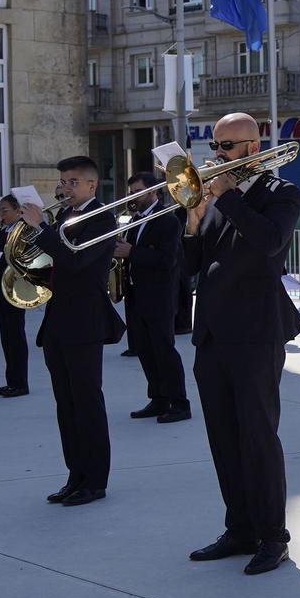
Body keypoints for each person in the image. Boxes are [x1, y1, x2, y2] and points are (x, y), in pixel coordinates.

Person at [183, 113, 300, 575]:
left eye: (226, 147)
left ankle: (273, 535)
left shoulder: (281, 193)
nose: (216, 156)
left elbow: (270, 243)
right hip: (212, 333)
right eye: (215, 146)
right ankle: (239, 528)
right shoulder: (214, 199)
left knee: (257, 436)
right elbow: (191, 267)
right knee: (223, 438)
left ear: (254, 147)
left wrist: (228, 197)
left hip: (255, 333)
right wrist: (193, 222)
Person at [27, 157, 121, 507]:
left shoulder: (102, 217)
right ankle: (75, 475)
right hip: (58, 320)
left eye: (72, 182)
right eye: (63, 181)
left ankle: (95, 480)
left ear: (91, 185)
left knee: (87, 403)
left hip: (84, 321)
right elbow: (55, 266)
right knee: (65, 405)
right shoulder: (65, 217)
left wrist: (43, 231)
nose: (64, 188)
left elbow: (78, 262)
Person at [116, 169, 190, 424]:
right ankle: (158, 399)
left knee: (164, 350)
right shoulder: (135, 219)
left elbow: (168, 260)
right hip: (137, 294)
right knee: (146, 351)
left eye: (138, 192)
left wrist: (131, 252)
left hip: (159, 296)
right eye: (131, 192)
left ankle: (180, 403)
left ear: (154, 191)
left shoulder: (167, 219)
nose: (133, 197)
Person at [0, 195, 31, 398]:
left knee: (16, 338)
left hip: (15, 290)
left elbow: (21, 261)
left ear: (17, 210)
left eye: (5, 210)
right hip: (1, 290)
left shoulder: (23, 231)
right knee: (6, 339)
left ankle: (20, 383)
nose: (1, 214)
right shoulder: (4, 231)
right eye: (0, 210)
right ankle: (11, 381)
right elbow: (2, 263)